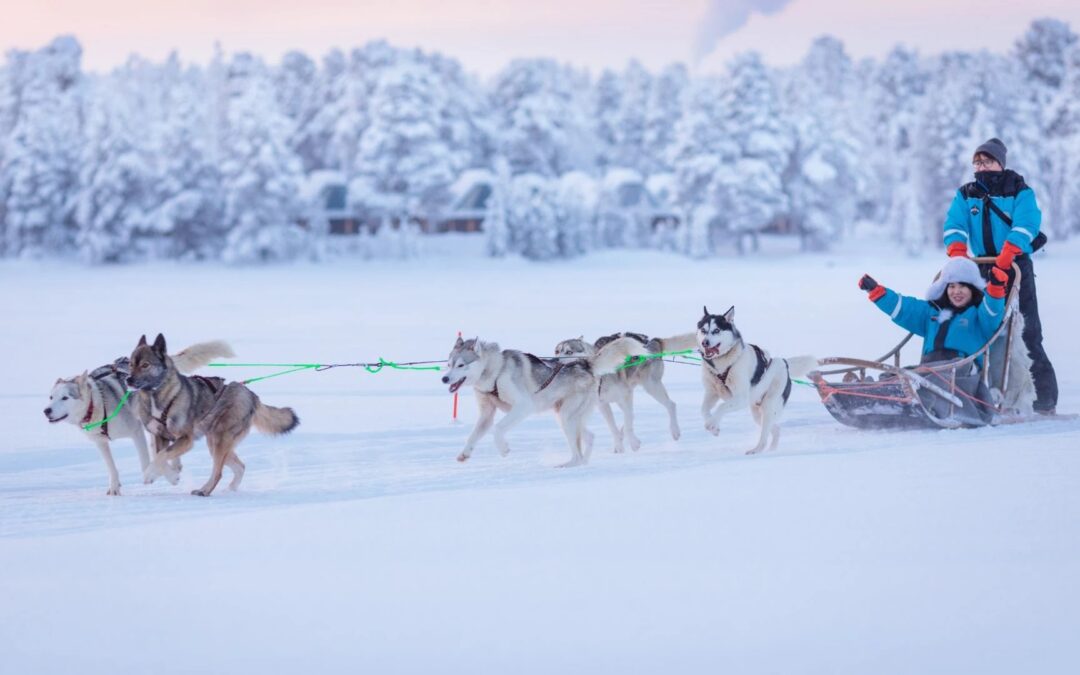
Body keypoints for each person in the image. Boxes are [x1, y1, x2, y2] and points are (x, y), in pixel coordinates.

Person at [941, 138, 1057, 414]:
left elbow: (1027, 223)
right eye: (977, 162)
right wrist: (957, 251)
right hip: (980, 268)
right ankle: (976, 390)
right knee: (974, 327)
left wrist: (1009, 252)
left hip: (1015, 266)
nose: (982, 166)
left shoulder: (1019, 189)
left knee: (1027, 332)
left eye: (987, 161)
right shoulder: (966, 193)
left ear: (1000, 163)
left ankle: (1044, 398)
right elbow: (954, 224)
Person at [858, 257, 1008, 365]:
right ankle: (876, 391)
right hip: (930, 367)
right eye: (952, 286)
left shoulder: (979, 316)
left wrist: (995, 289)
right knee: (902, 376)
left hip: (964, 371)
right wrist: (877, 291)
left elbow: (993, 311)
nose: (956, 291)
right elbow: (905, 308)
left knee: (923, 381)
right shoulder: (933, 312)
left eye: (962, 286)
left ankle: (905, 396)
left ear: (973, 289)